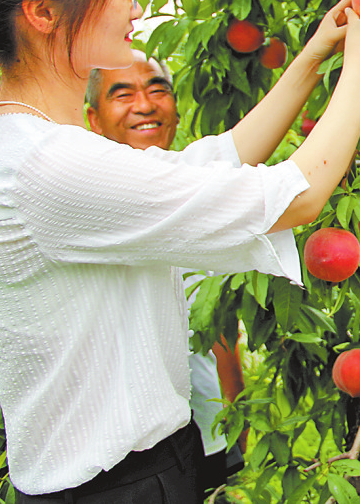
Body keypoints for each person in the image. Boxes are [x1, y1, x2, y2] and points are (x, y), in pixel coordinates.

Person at [0, 0, 360, 501]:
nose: (135, 6)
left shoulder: (39, 147)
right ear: (43, 12)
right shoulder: (46, 167)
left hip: (147, 467)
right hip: (110, 488)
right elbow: (297, 198)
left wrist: (315, 56)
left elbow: (216, 159)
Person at [85, 50, 247, 494]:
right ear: (93, 119)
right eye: (123, 94)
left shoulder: (201, 196)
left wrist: (236, 426)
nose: (145, 104)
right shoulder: (84, 204)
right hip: (128, 463)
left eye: (158, 89)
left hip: (212, 437)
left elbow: (220, 330)